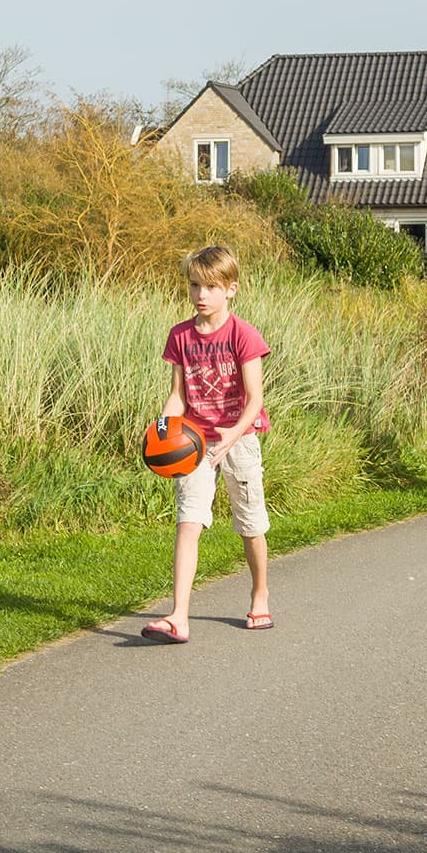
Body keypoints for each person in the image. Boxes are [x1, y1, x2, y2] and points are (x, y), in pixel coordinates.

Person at [141, 246, 272, 643]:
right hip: (194, 442)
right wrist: (164, 426)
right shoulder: (180, 335)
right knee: (188, 521)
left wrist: (233, 435)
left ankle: (260, 593)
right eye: (195, 285)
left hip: (239, 441)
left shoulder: (243, 335)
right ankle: (179, 615)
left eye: (211, 287)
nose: (201, 294)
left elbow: (255, 400)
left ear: (230, 289)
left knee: (250, 525)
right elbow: (178, 394)